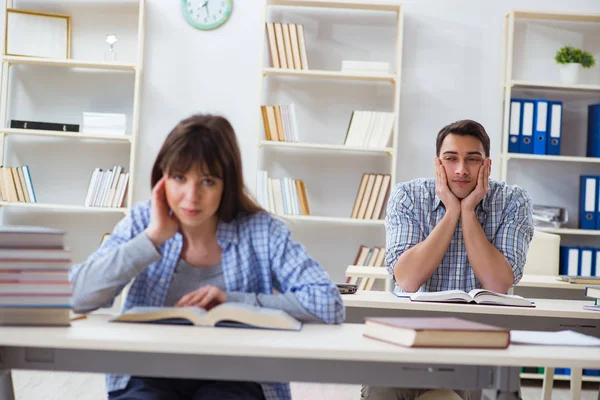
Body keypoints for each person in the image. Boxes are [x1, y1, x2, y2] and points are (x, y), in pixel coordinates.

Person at [70, 114, 345, 400]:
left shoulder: (263, 231)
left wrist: (233, 300)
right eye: (179, 178)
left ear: (227, 184)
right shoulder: (143, 222)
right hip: (148, 374)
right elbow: (76, 295)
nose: (191, 196)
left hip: (235, 377)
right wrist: (151, 238)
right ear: (162, 178)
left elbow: (328, 303)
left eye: (208, 181)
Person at [361, 119, 534, 400]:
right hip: (409, 339)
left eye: (472, 159)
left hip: (479, 344)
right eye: (451, 159)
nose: (461, 170)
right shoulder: (407, 196)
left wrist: (468, 212)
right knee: (381, 391)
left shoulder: (513, 200)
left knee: (493, 390)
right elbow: (407, 279)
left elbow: (497, 282)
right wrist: (451, 211)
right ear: (438, 164)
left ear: (487, 165)